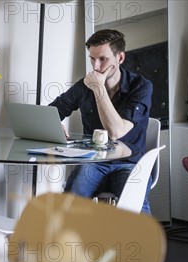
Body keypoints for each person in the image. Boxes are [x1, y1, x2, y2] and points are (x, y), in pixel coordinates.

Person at [49, 29, 153, 213]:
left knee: (132, 204)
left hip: (129, 163)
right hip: (94, 162)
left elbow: (116, 132)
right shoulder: (84, 85)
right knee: (71, 200)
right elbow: (52, 111)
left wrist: (98, 88)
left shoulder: (141, 87)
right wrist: (53, 122)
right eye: (92, 59)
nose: (95, 66)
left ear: (120, 58)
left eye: (103, 59)